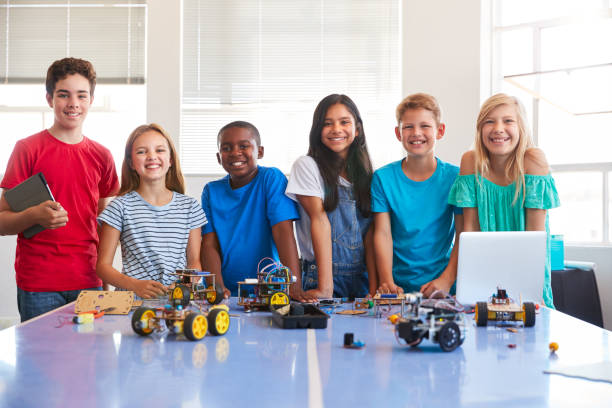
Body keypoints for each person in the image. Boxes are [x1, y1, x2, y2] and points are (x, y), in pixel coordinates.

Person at [0, 58, 119, 322]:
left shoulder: (102, 156)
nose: (73, 103)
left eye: (81, 95)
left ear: (91, 100)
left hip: (89, 280)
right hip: (39, 283)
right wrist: (34, 216)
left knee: (88, 361)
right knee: (40, 361)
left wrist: (106, 277)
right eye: (63, 94)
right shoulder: (27, 149)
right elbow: (2, 223)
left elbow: (105, 228)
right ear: (49, 98)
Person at [448, 93, 559, 308]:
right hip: (482, 274)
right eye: (489, 121)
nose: (498, 128)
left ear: (521, 128)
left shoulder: (533, 160)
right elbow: (469, 231)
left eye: (508, 121)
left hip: (527, 276)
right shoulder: (470, 161)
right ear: (480, 129)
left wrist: (528, 291)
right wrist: (469, 286)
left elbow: (535, 240)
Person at [200, 121, 308, 300]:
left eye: (244, 146)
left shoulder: (271, 178)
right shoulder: (211, 191)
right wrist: (216, 286)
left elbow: (283, 233)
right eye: (226, 148)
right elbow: (210, 244)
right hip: (228, 292)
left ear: (260, 151)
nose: (235, 152)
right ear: (219, 157)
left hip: (270, 290)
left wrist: (294, 286)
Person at [96, 124, 206, 298]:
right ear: (131, 162)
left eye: (160, 150)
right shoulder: (119, 207)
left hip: (176, 301)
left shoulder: (190, 207)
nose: (152, 157)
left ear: (170, 160)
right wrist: (136, 285)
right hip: (132, 304)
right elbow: (103, 267)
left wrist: (181, 286)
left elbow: (195, 263)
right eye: (141, 152)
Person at [371, 93, 463, 297]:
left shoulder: (456, 177)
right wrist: (386, 281)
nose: (416, 133)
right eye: (408, 127)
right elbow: (383, 234)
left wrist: (446, 280)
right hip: (397, 288)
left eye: (425, 126)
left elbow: (463, 234)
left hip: (443, 287)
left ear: (440, 131)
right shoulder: (383, 178)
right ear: (398, 133)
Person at [286, 94, 376, 300]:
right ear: (317, 131)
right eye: (327, 124)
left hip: (361, 278)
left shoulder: (368, 175)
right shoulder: (307, 166)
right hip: (322, 276)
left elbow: (370, 234)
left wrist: (373, 287)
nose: (336, 129)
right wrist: (326, 288)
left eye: (344, 122)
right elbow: (319, 219)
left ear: (358, 129)